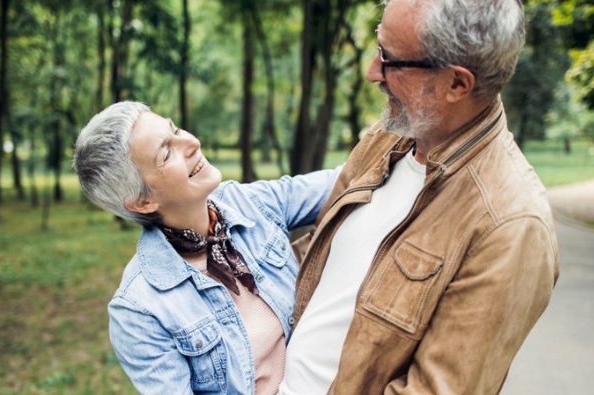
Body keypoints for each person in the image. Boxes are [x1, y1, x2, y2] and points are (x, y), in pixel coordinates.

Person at [280, 0, 560, 393]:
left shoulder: (511, 225)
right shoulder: (389, 135)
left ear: (457, 84)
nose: (371, 72)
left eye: (389, 59)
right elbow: (317, 267)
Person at [72, 101, 339, 394]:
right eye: (166, 153)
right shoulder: (139, 310)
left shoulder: (249, 203)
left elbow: (346, 180)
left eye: (175, 130)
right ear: (143, 202)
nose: (191, 142)